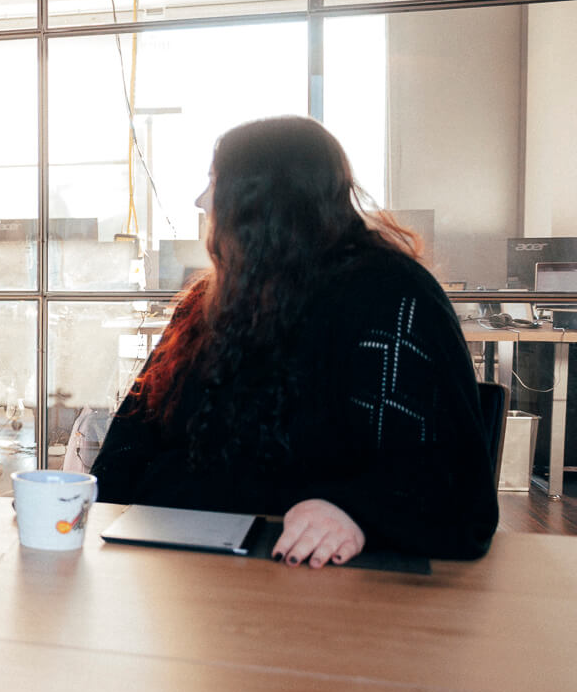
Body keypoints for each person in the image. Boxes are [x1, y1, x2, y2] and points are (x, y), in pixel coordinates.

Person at [92, 115, 497, 565]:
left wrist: (354, 512)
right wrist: (87, 506)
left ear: (262, 202)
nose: (201, 200)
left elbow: (452, 486)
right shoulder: (207, 302)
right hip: (172, 571)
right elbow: (133, 433)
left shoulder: (394, 297)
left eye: (216, 183)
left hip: (314, 580)